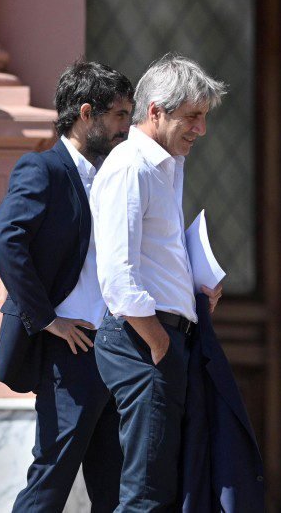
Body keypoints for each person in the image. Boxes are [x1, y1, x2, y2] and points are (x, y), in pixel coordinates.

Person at [0, 60, 133, 512]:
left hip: (115, 349)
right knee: (50, 482)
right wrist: (48, 319)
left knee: (117, 487)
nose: (126, 127)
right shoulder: (43, 169)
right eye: (120, 115)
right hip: (71, 353)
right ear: (86, 113)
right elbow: (3, 241)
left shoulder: (112, 175)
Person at [90, 53, 225, 511]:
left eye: (204, 117)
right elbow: (118, 275)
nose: (200, 129)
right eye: (192, 117)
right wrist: (159, 344)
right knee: (145, 495)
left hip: (162, 340)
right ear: (156, 112)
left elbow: (155, 254)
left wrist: (195, 290)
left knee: (163, 489)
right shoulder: (132, 166)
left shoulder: (165, 165)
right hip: (142, 341)